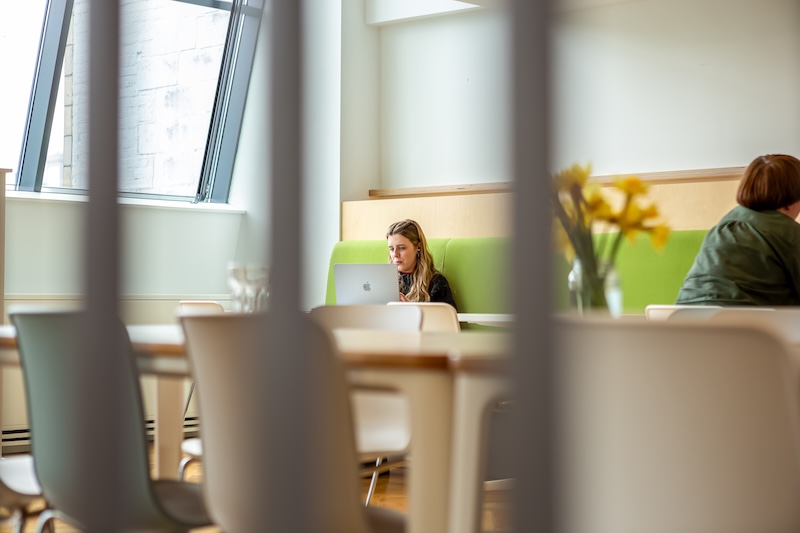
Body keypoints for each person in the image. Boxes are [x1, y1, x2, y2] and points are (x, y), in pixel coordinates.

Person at [676, 154, 800, 306]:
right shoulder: (790, 233)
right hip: (744, 326)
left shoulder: (723, 227)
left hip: (681, 322)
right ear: (791, 202)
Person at [386, 219, 458, 310]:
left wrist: (412, 309)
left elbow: (447, 321)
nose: (395, 254)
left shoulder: (435, 283)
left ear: (418, 247)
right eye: (391, 249)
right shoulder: (385, 281)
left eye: (401, 248)